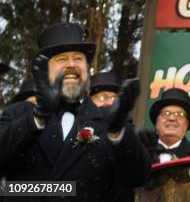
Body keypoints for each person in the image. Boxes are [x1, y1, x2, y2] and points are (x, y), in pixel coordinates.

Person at [0, 22, 151, 201]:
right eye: (62, 59)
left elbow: (136, 178)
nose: (71, 64)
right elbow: (7, 187)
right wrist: (38, 117)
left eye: (78, 59)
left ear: (87, 69)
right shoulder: (19, 114)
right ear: (45, 69)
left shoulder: (109, 121)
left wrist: (118, 131)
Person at [138, 88, 190, 164]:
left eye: (179, 114)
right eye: (166, 113)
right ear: (157, 121)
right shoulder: (138, 153)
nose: (172, 118)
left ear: (186, 124)